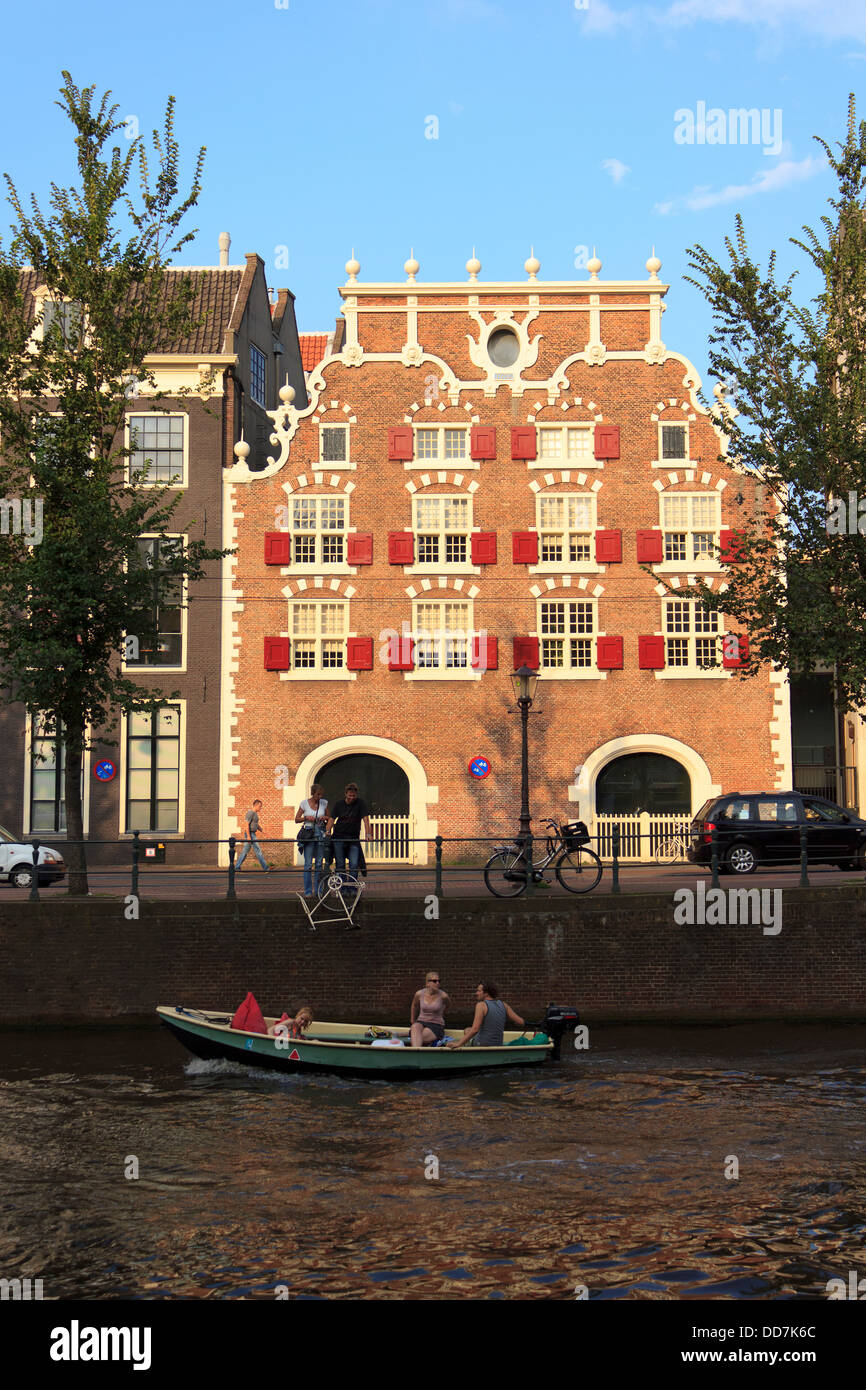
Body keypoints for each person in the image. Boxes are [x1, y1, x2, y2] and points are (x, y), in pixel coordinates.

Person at [446, 982, 524, 1049]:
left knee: (451, 1041)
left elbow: (475, 1029)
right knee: (467, 1030)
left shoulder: (481, 1005)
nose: (476, 993)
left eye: (479, 991)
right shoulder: (504, 1005)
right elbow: (521, 1022)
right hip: (498, 1045)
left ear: (486, 993)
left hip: (482, 1044)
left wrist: (458, 1044)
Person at [326, 782, 371, 879]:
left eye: (354, 796)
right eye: (350, 795)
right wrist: (327, 831)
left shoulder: (360, 803)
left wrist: (368, 833)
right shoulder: (339, 804)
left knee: (354, 864)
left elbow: (366, 819)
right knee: (340, 864)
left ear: (356, 795)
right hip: (339, 838)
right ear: (345, 794)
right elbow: (332, 819)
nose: (352, 798)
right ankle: (342, 889)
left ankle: (352, 888)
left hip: (353, 839)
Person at [295, 784, 328, 897]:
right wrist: (306, 818)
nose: (320, 797)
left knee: (319, 864)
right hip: (309, 834)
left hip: (320, 834)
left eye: (321, 794)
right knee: (308, 864)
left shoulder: (324, 803)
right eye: (317, 794)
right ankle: (308, 891)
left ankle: (319, 891)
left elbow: (330, 817)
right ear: (313, 793)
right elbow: (296, 819)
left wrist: (325, 818)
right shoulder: (304, 803)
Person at [410, 971, 451, 1047]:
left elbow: (448, 1006)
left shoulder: (443, 996)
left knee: (418, 1037)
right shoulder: (419, 994)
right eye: (435, 981)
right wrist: (412, 1020)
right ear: (428, 983)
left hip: (436, 1025)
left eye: (439, 981)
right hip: (421, 1021)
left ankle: (415, 1053)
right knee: (415, 1026)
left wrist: (442, 1013)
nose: (438, 983)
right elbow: (414, 1005)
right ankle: (416, 1053)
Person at [235, 799, 271, 872]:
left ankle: (237, 867)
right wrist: (248, 836)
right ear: (256, 805)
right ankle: (266, 868)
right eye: (260, 806)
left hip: (252, 834)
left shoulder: (255, 814)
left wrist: (264, 832)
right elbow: (246, 824)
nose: (261, 808)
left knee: (245, 852)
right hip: (250, 834)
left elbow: (256, 825)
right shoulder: (250, 813)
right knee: (258, 851)